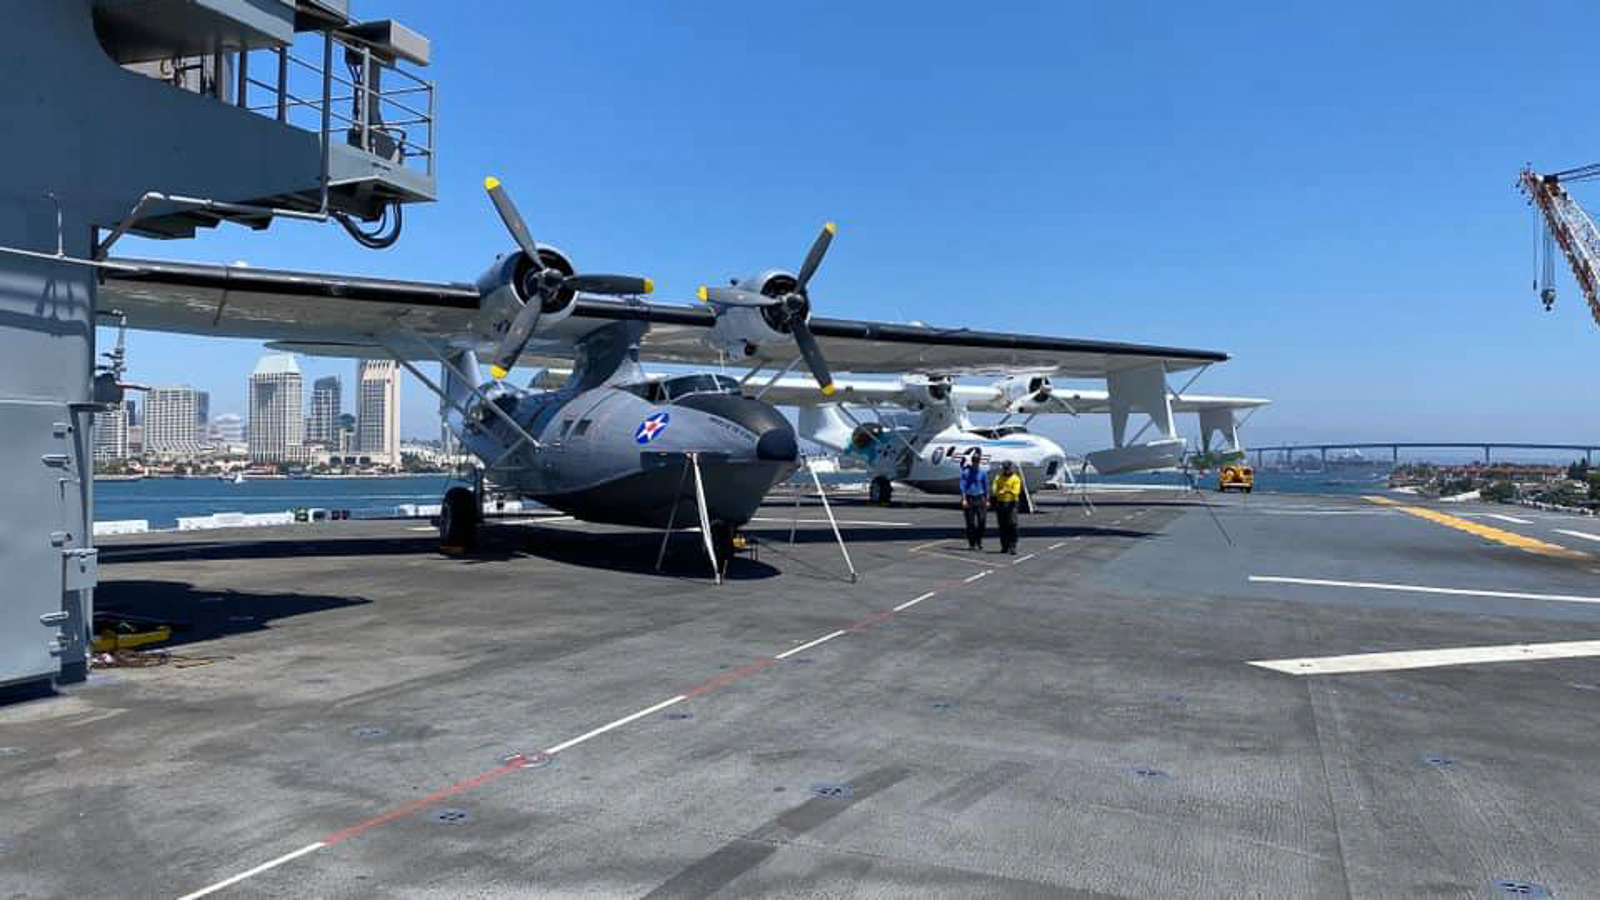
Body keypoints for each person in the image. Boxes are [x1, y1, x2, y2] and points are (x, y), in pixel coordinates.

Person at [958, 449, 989, 550]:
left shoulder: (982, 473)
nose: (976, 463)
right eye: (974, 461)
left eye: (977, 461)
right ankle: (972, 543)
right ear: (972, 461)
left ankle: (978, 540)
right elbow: (962, 487)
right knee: (970, 523)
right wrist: (964, 499)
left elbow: (986, 487)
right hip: (969, 498)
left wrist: (987, 500)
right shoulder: (966, 472)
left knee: (982, 521)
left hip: (980, 498)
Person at [991, 459, 1023, 554]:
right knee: (1002, 525)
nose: (1006, 470)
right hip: (1001, 503)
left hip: (1012, 503)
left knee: (1012, 524)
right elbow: (994, 490)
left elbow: (1016, 492)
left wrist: (1007, 490)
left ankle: (1013, 546)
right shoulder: (998, 477)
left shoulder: (1015, 478)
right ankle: (1004, 546)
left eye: (1008, 468)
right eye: (1005, 468)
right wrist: (1000, 491)